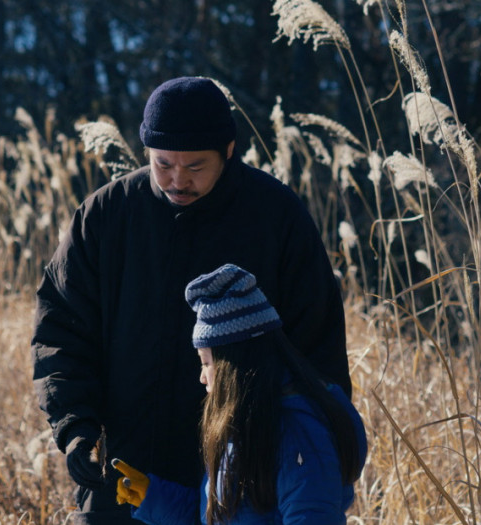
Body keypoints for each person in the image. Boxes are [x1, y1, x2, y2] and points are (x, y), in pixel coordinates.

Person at [31, 76, 352, 524]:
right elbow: (60, 334)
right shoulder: (105, 216)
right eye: (163, 164)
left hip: (241, 478)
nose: (178, 179)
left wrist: (305, 449)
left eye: (196, 166)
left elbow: (316, 353)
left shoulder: (276, 217)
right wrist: (77, 429)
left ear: (229, 150)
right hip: (126, 476)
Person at [111, 263, 367, 525]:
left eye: (206, 362)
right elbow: (224, 518)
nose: (202, 376)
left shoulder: (299, 434)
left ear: (232, 365)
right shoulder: (250, 424)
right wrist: (154, 499)